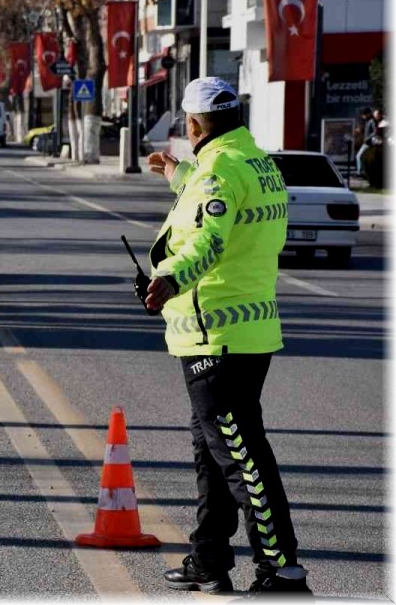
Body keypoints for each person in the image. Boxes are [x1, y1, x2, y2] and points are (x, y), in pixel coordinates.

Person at [143, 77, 311, 596]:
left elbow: (209, 240)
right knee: (214, 451)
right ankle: (209, 558)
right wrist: (179, 175)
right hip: (248, 330)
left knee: (239, 455)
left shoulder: (217, 171)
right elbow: (220, 204)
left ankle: (281, 567)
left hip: (215, 332)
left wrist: (170, 279)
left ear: (194, 124)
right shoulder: (255, 162)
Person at [355, 108, 375, 176]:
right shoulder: (367, 121)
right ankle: (362, 171)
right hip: (367, 142)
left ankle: (360, 172)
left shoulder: (372, 121)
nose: (362, 116)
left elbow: (375, 132)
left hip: (369, 143)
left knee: (359, 156)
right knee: (362, 157)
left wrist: (368, 138)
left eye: (363, 115)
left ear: (368, 114)